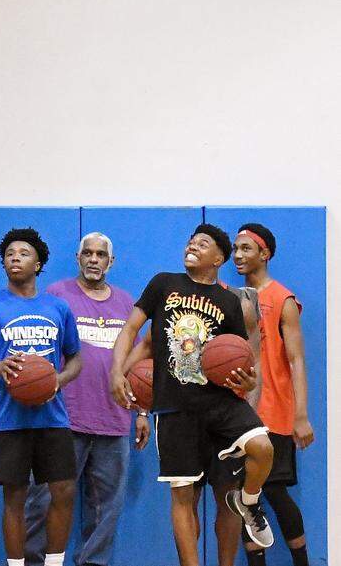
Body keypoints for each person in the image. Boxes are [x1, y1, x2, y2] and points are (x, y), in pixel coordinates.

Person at [110, 224, 275, 566]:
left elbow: (240, 357)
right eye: (190, 241)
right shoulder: (162, 284)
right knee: (183, 494)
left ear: (218, 258)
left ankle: (249, 500)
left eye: (203, 244)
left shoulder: (230, 302)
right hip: (175, 407)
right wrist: (117, 373)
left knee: (259, 450)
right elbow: (133, 332)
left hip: (220, 403)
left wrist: (246, 383)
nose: (193, 246)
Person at [22, 232, 149, 566]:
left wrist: (141, 412)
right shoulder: (57, 295)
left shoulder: (126, 303)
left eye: (101, 255)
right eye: (88, 254)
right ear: (78, 258)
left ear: (111, 262)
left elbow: (137, 364)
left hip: (115, 419)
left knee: (106, 509)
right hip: (62, 418)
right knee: (43, 500)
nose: (94, 259)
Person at [0, 228, 83, 566]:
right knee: (14, 497)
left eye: (23, 253)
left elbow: (76, 359)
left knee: (64, 491)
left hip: (52, 417)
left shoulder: (58, 308)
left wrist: (57, 380)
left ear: (39, 263)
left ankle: (53, 563)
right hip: (8, 418)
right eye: (9, 253)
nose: (15, 257)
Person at [233, 223, 314, 566]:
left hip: (275, 411)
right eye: (235, 249)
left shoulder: (283, 298)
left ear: (264, 254)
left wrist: (301, 415)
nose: (238, 255)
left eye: (246, 249)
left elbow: (296, 359)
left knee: (276, 492)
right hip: (238, 413)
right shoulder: (231, 296)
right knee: (245, 499)